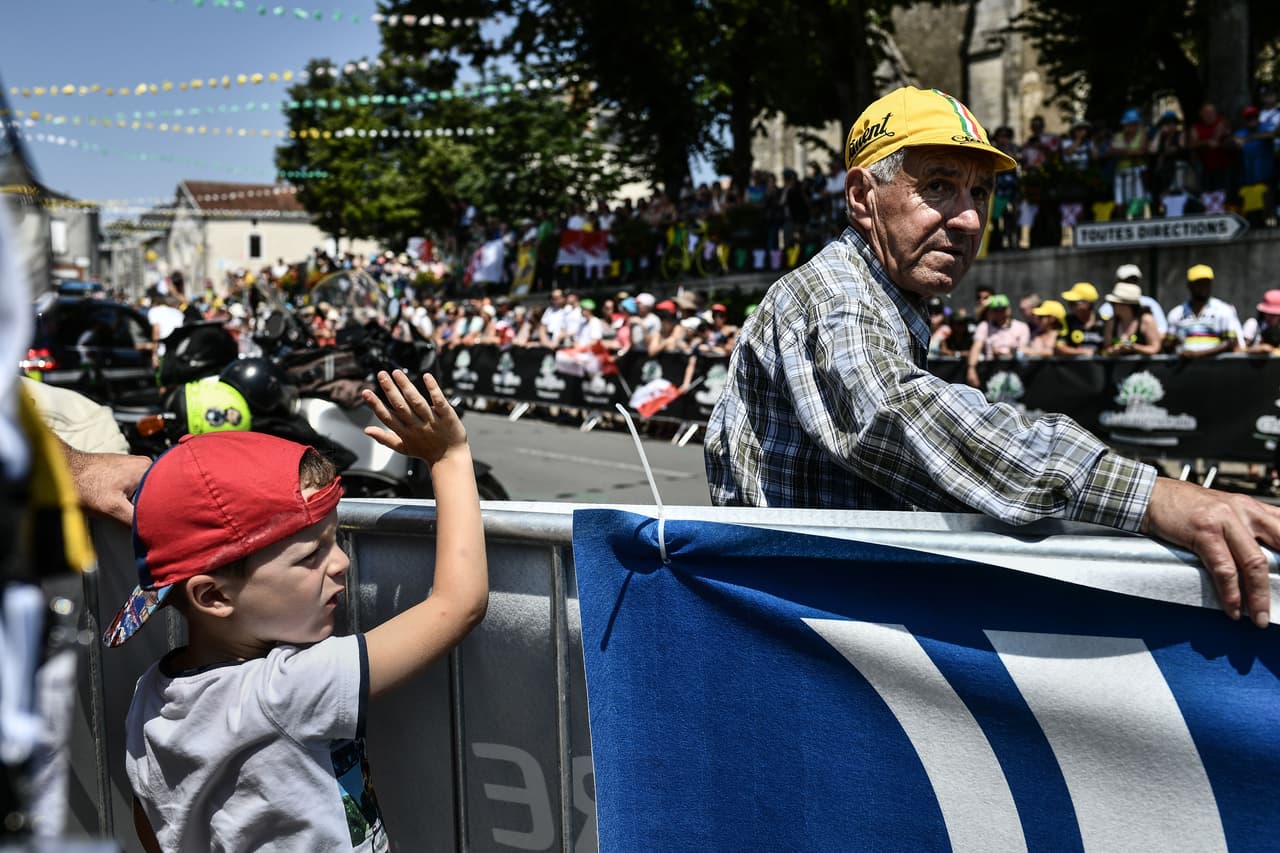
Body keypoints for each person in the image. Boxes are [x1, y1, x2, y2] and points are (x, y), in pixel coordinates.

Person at [705, 84, 1280, 629]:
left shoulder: (880, 290)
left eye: (979, 192)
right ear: (862, 197)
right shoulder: (838, 295)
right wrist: (1150, 496)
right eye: (938, 186)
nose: (969, 219)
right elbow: (896, 415)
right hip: (803, 635)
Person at [110, 370, 488, 851]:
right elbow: (458, 604)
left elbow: (155, 824)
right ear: (213, 597)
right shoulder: (289, 688)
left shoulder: (149, 693)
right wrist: (448, 458)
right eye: (311, 556)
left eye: (335, 542)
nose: (342, 563)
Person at [1164, 264, 1242, 358]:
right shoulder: (1176, 313)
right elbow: (1167, 346)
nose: (1203, 287)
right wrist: (1174, 342)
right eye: (1199, 283)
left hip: (1216, 369)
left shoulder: (1223, 310)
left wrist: (1198, 354)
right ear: (1189, 285)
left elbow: (1232, 342)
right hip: (1185, 371)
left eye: (1206, 282)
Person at [965, 294, 1029, 388]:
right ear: (991, 311)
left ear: (1008, 309)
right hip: (991, 373)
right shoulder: (984, 326)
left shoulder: (1021, 327)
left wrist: (1006, 353)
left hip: (1015, 372)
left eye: (1002, 309)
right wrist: (971, 369)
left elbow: (1023, 350)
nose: (999, 313)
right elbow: (976, 347)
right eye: (996, 310)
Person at [1098, 263, 1168, 335]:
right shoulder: (1107, 307)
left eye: (1134, 279)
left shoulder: (1150, 303)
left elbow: (1161, 332)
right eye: (1126, 280)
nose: (1131, 282)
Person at [1100, 282, 1162, 356]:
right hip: (1117, 367)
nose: (1112, 305)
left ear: (1127, 305)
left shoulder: (1146, 320)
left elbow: (1155, 348)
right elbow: (1106, 349)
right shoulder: (1112, 322)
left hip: (1144, 367)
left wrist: (1134, 347)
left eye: (1114, 303)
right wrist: (1116, 349)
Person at [1054, 282, 1105, 356]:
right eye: (1070, 302)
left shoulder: (1105, 321)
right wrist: (1083, 352)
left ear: (1088, 303)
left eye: (1075, 302)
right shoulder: (1066, 321)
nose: (1070, 305)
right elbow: (1059, 347)